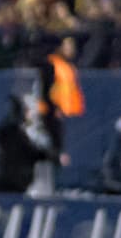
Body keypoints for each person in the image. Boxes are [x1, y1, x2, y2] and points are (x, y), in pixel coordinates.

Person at [36, 36, 85, 194]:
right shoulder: (51, 64)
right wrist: (53, 108)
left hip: (65, 113)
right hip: (52, 114)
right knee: (52, 153)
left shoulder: (67, 66)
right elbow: (47, 90)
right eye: (67, 45)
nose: (71, 49)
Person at [0, 93, 56, 194]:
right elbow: (32, 152)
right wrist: (49, 155)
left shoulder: (28, 132)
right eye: (27, 110)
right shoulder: (11, 132)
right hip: (12, 185)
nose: (32, 114)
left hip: (21, 184)